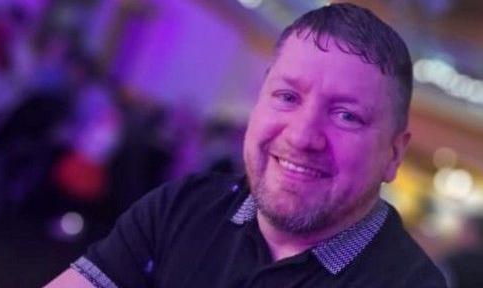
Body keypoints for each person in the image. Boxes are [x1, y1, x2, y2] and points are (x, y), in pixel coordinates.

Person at [46, 3, 446, 287]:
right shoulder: (182, 208)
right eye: (287, 97)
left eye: (346, 116)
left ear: (394, 154)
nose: (302, 136)